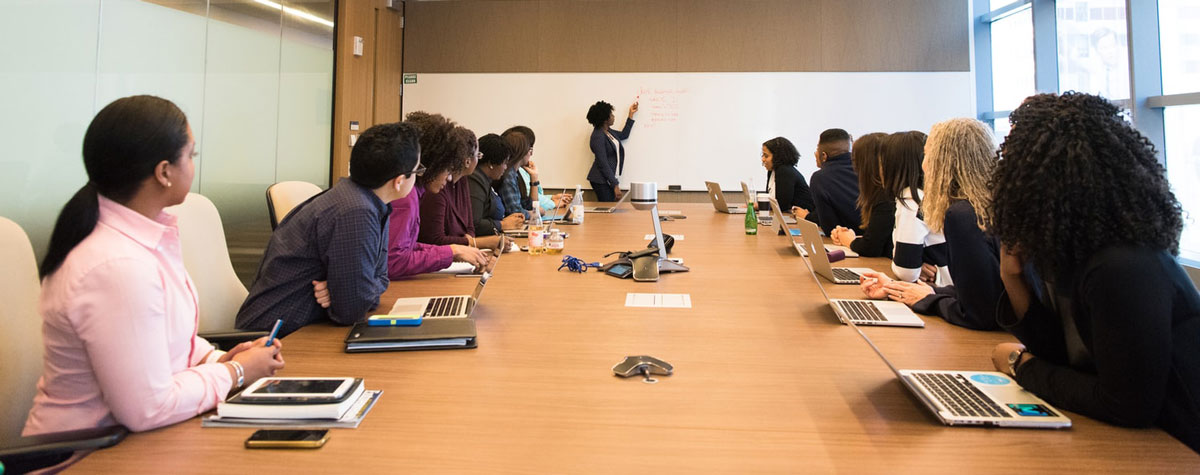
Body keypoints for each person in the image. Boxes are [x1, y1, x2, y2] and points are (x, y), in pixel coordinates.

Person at [25, 95, 284, 439]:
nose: (193, 165)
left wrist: (217, 359)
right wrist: (235, 372)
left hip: (143, 439)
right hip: (88, 455)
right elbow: (148, 408)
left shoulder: (144, 241)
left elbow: (171, 343)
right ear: (164, 172)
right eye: (190, 155)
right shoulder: (117, 265)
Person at [986, 92, 1200, 452]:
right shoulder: (1077, 253)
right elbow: (1065, 358)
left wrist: (1020, 365)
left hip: (1179, 446)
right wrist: (1013, 277)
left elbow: (1129, 406)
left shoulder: (1123, 266)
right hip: (1150, 442)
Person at [236, 122, 421, 337]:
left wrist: (344, 291)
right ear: (399, 181)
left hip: (305, 327)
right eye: (418, 170)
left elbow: (380, 278)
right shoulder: (356, 211)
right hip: (275, 340)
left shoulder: (369, 202)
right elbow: (351, 310)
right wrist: (350, 293)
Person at [858, 119, 1003, 330]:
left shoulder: (962, 215)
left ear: (945, 161)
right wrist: (903, 289)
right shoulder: (989, 205)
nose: (923, 165)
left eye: (927, 155)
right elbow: (986, 295)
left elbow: (980, 313)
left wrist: (928, 300)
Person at [387, 113, 491, 279]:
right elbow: (393, 261)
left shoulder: (415, 191)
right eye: (447, 169)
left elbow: (407, 247)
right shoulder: (406, 196)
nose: (449, 177)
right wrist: (451, 251)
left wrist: (454, 251)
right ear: (433, 164)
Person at [417, 118, 512, 252]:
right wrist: (474, 242)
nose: (479, 160)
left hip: (461, 254)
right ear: (467, 161)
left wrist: (471, 242)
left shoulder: (462, 180)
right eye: (478, 155)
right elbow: (435, 240)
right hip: (443, 259)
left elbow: (470, 226)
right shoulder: (437, 187)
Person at [830, 133, 892, 257]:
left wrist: (849, 240)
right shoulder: (882, 193)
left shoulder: (886, 198)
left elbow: (870, 248)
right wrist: (850, 236)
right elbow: (878, 239)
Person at [504, 125, 571, 214]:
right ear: (521, 150)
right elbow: (515, 212)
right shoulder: (508, 175)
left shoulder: (516, 173)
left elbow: (529, 204)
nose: (531, 153)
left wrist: (534, 178)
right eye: (530, 148)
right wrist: (538, 211)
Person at [807, 128, 861, 235]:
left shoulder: (820, 178)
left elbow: (829, 228)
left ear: (824, 156)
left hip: (843, 241)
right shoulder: (864, 170)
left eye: (817, 149)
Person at [585, 100, 637, 202]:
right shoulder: (598, 136)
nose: (613, 117)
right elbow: (603, 163)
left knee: (611, 209)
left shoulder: (608, 132)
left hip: (607, 179)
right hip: (600, 180)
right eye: (611, 115)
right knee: (608, 210)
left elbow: (624, 134)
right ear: (605, 119)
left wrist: (631, 114)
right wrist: (615, 185)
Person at [470, 134, 518, 236]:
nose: (505, 167)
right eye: (504, 162)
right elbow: (475, 223)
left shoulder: (484, 179)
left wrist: (506, 221)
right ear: (491, 163)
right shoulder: (475, 180)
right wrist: (502, 224)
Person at [760, 137, 817, 220]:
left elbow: (782, 205)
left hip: (803, 219)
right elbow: (770, 198)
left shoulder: (784, 171)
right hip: (790, 216)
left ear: (777, 157)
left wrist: (762, 205)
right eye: (762, 155)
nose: (763, 159)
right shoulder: (772, 171)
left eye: (766, 156)